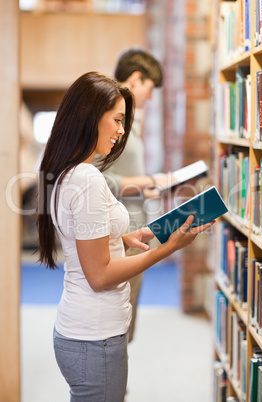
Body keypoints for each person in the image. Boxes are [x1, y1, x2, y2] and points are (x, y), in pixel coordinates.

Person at [37, 71, 214, 402]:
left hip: (85, 333)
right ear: (90, 116)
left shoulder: (69, 172)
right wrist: (166, 249)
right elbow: (99, 275)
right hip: (94, 337)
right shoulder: (87, 179)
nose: (121, 131)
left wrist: (133, 235)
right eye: (117, 120)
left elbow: (87, 238)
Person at [94, 48, 172, 343]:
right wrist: (148, 180)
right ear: (136, 79)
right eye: (150, 90)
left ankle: (117, 387)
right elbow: (95, 179)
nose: (150, 98)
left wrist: (149, 188)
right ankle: (113, 387)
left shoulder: (129, 122)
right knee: (118, 324)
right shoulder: (109, 122)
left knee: (127, 322)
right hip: (119, 234)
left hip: (134, 230)